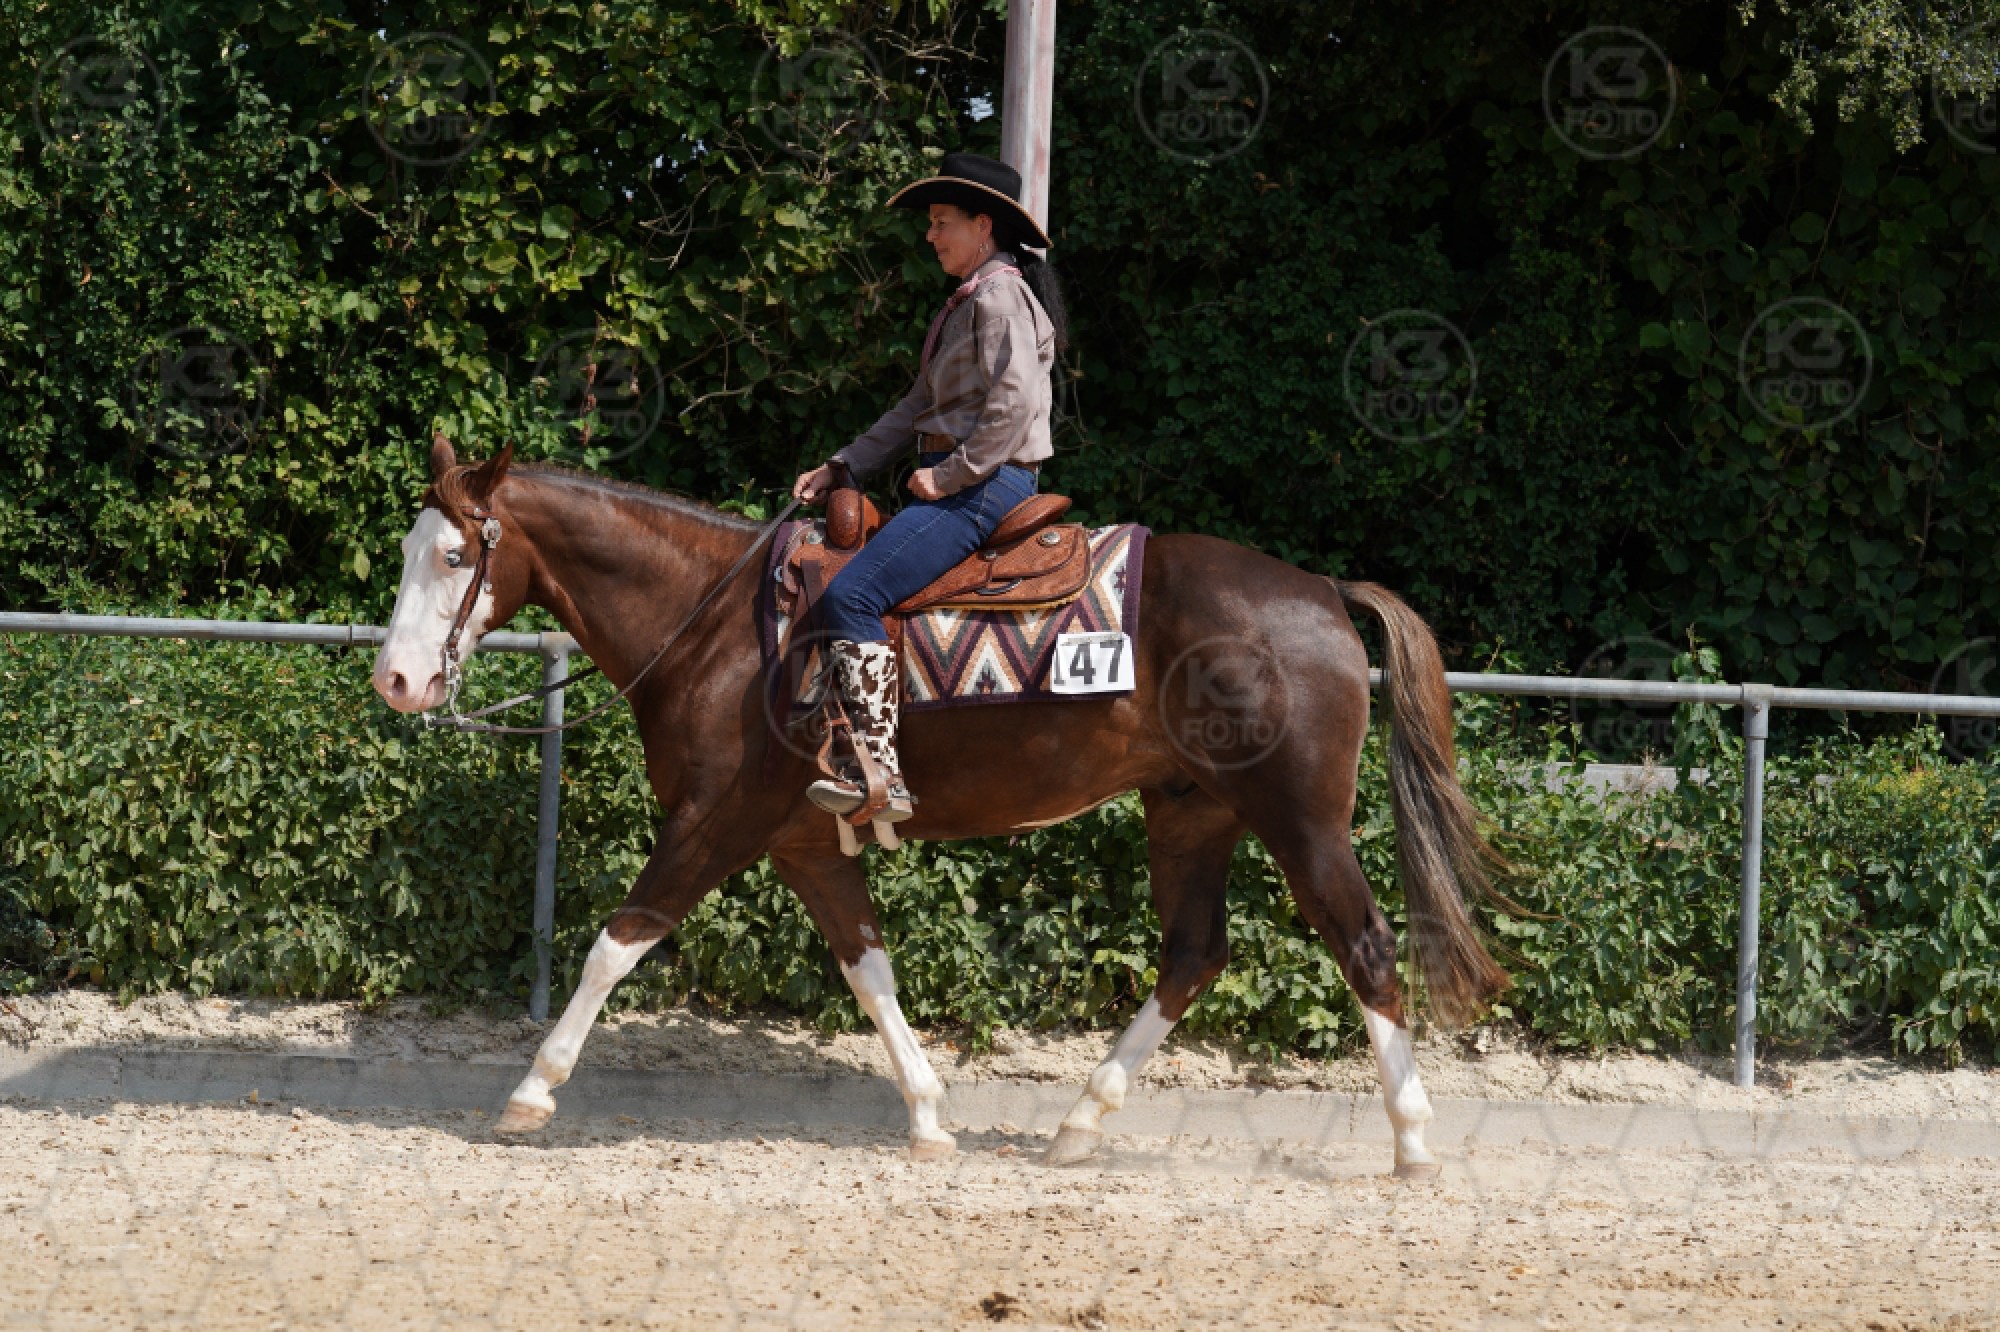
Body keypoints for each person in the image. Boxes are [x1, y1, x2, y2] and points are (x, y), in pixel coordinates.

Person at [790, 151, 1071, 821]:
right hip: (974, 480)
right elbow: (916, 405)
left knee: (853, 593)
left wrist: (947, 475)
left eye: (942, 221)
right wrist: (843, 466)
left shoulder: (999, 299)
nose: (931, 234)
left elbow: (1010, 409)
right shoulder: (970, 302)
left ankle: (877, 773)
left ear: (983, 225)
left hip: (985, 485)